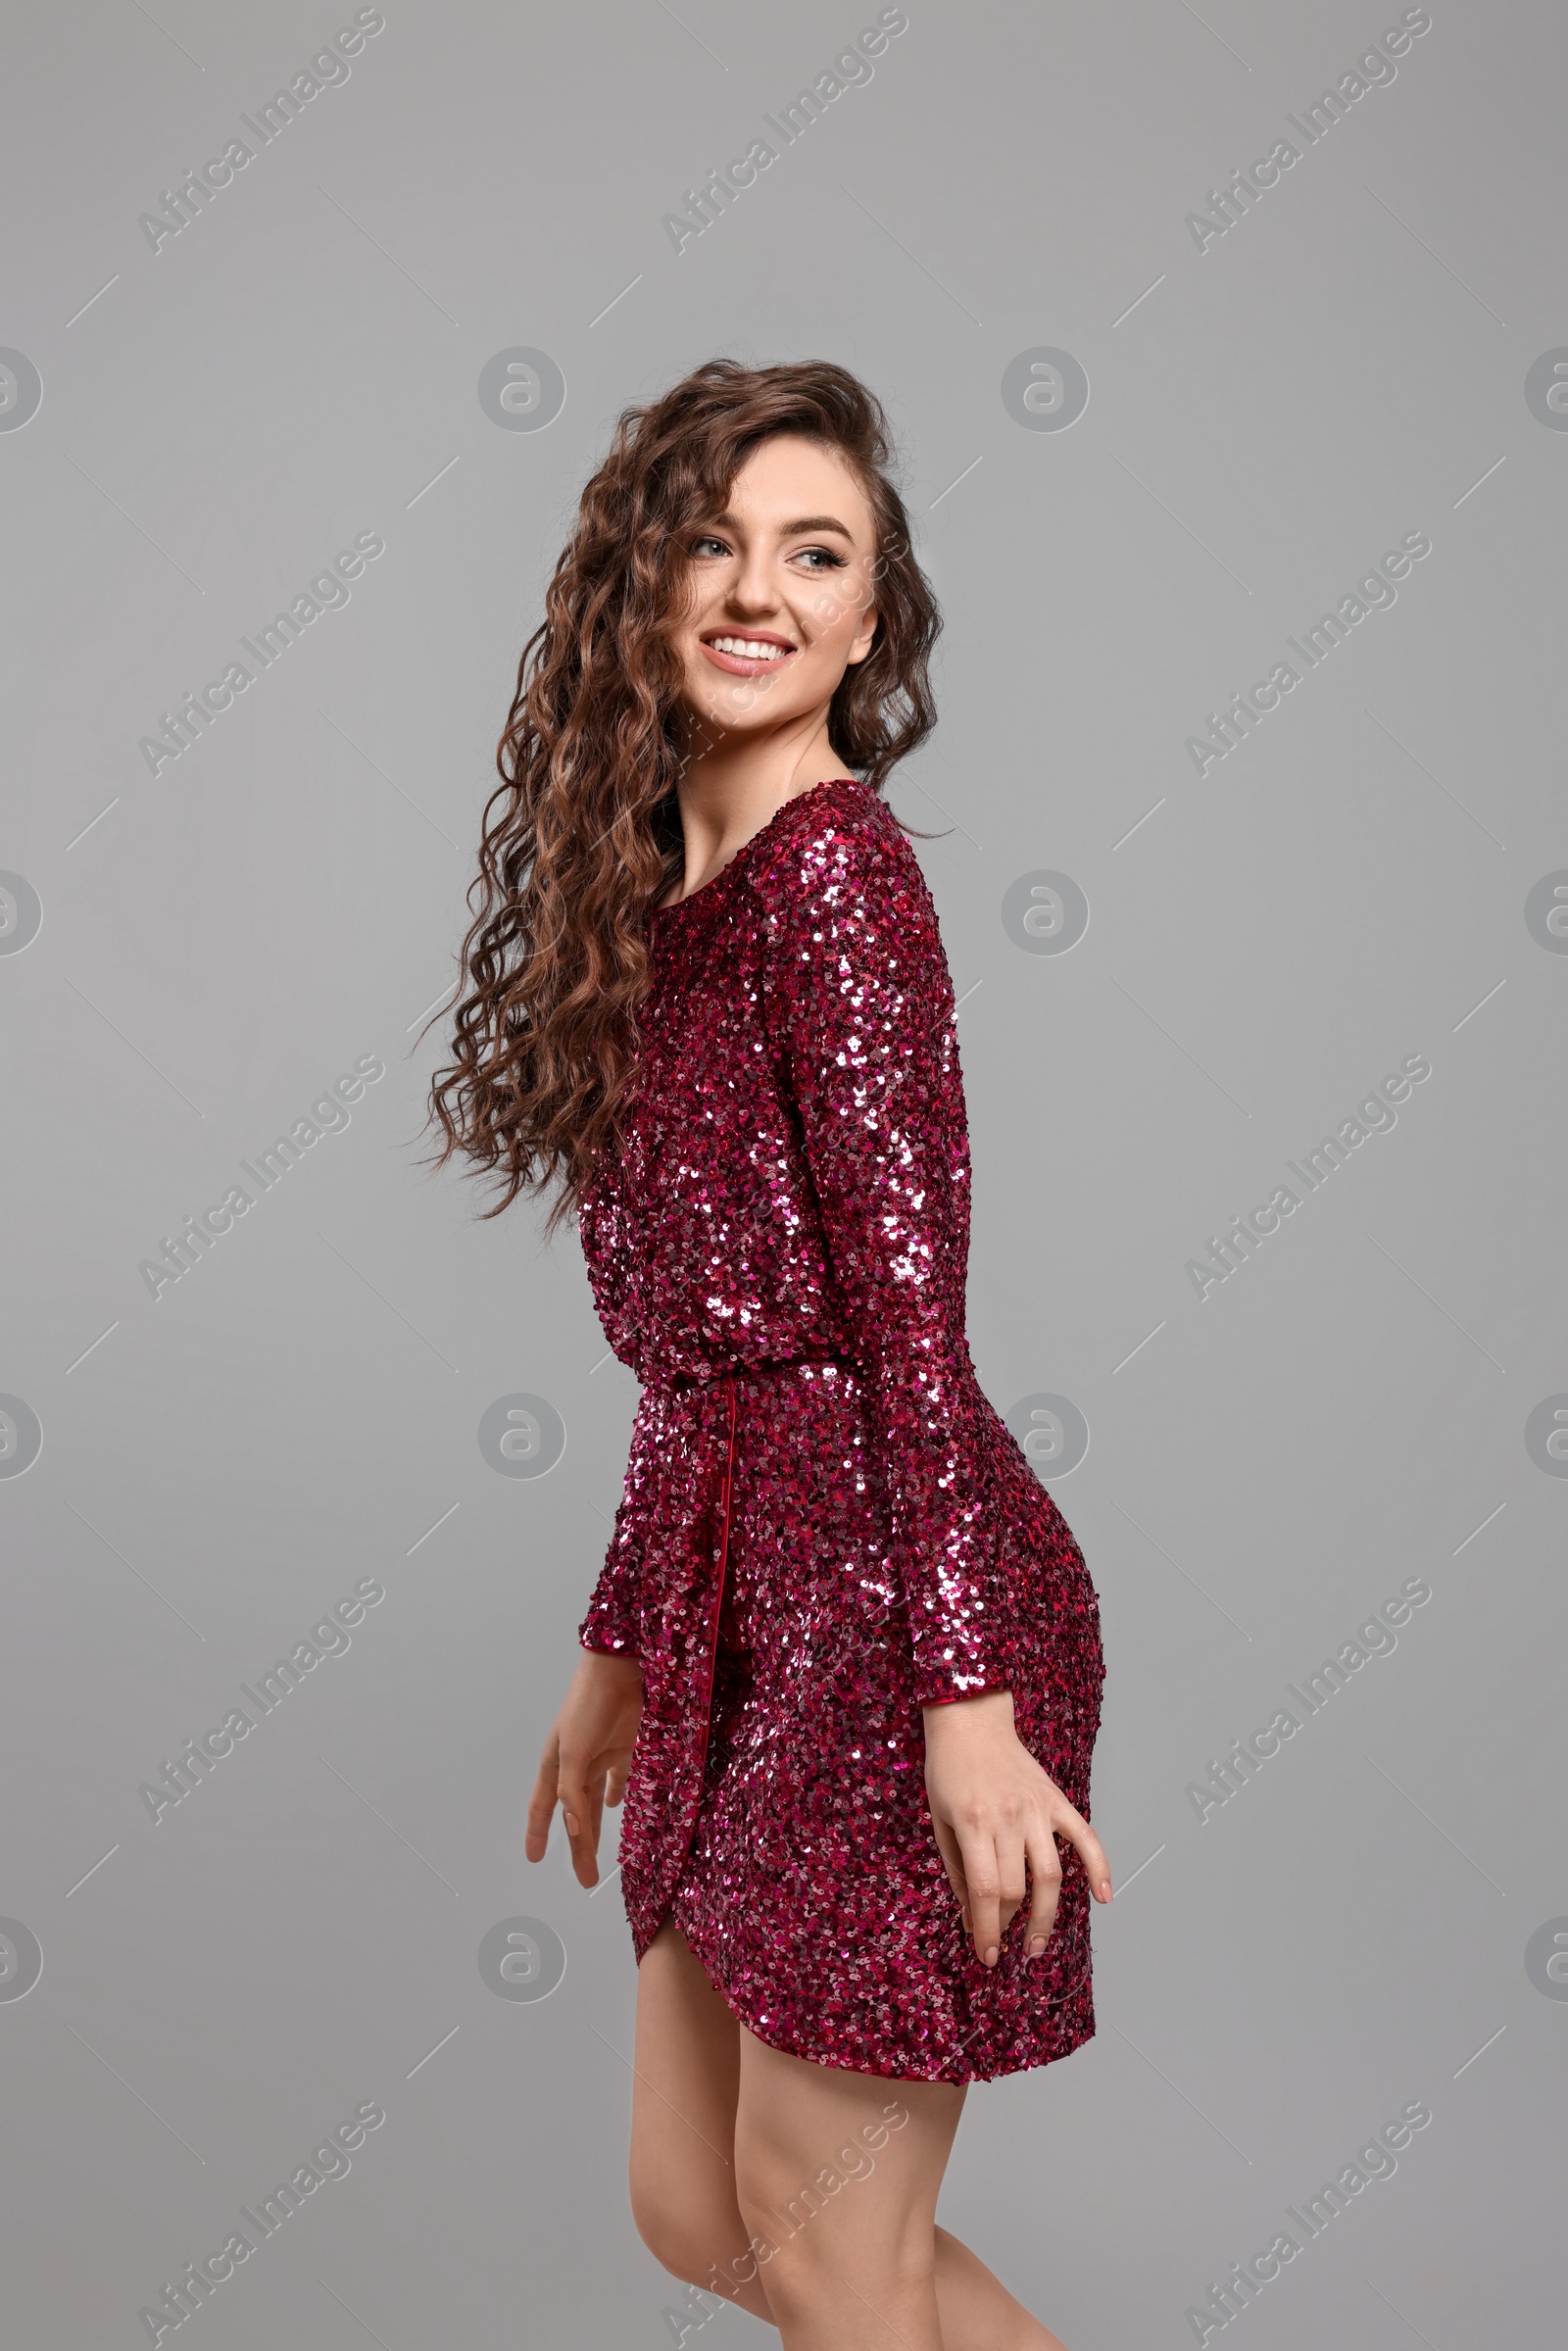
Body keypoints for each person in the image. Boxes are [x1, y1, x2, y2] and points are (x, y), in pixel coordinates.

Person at [429, 359, 1110, 2351]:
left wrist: (961, 1704)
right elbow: (699, 1372)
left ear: (869, 614)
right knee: (697, 2212)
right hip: (744, 1598)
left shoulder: (835, 880)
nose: (757, 588)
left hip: (902, 1605)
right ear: (638, 587)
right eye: (713, 544)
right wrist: (622, 1637)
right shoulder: (659, 898)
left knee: (827, 2253)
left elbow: (905, 1336)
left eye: (815, 553)